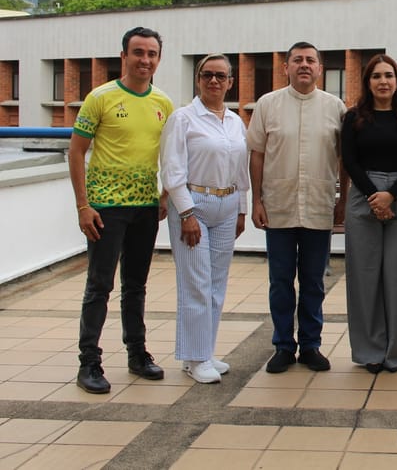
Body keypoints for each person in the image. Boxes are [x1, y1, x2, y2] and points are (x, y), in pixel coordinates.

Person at [70, 27, 174, 394]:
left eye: (152, 54)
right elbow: (76, 151)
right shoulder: (100, 98)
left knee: (136, 286)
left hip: (145, 207)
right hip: (105, 208)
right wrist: (83, 206)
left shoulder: (163, 102)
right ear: (124, 56)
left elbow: (172, 155)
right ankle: (89, 362)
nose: (145, 60)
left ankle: (137, 353)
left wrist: (165, 195)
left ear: (159, 59)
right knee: (100, 284)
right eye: (138, 52)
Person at [247, 41, 348, 374]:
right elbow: (257, 154)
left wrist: (342, 199)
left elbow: (343, 159)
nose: (304, 65)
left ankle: (310, 345)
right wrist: (256, 200)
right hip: (279, 206)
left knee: (314, 281)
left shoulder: (336, 107)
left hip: (319, 205)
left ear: (320, 68)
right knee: (280, 280)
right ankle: (283, 346)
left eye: (311, 61)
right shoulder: (268, 104)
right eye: (297, 60)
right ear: (286, 67)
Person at [160, 54, 248, 384]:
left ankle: (203, 352)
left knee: (216, 284)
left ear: (230, 82)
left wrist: (241, 209)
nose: (214, 81)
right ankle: (196, 359)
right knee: (196, 283)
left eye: (220, 76)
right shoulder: (183, 118)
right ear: (198, 79)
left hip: (227, 204)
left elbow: (241, 169)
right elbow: (171, 170)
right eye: (207, 75)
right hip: (193, 205)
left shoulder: (235, 121)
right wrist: (186, 213)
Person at [342, 54, 397, 373]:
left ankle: (394, 353)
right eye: (376, 76)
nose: (383, 81)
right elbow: (349, 160)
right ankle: (369, 351)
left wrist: (391, 195)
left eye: (389, 75)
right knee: (364, 277)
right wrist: (375, 197)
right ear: (368, 82)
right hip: (364, 196)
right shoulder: (353, 118)